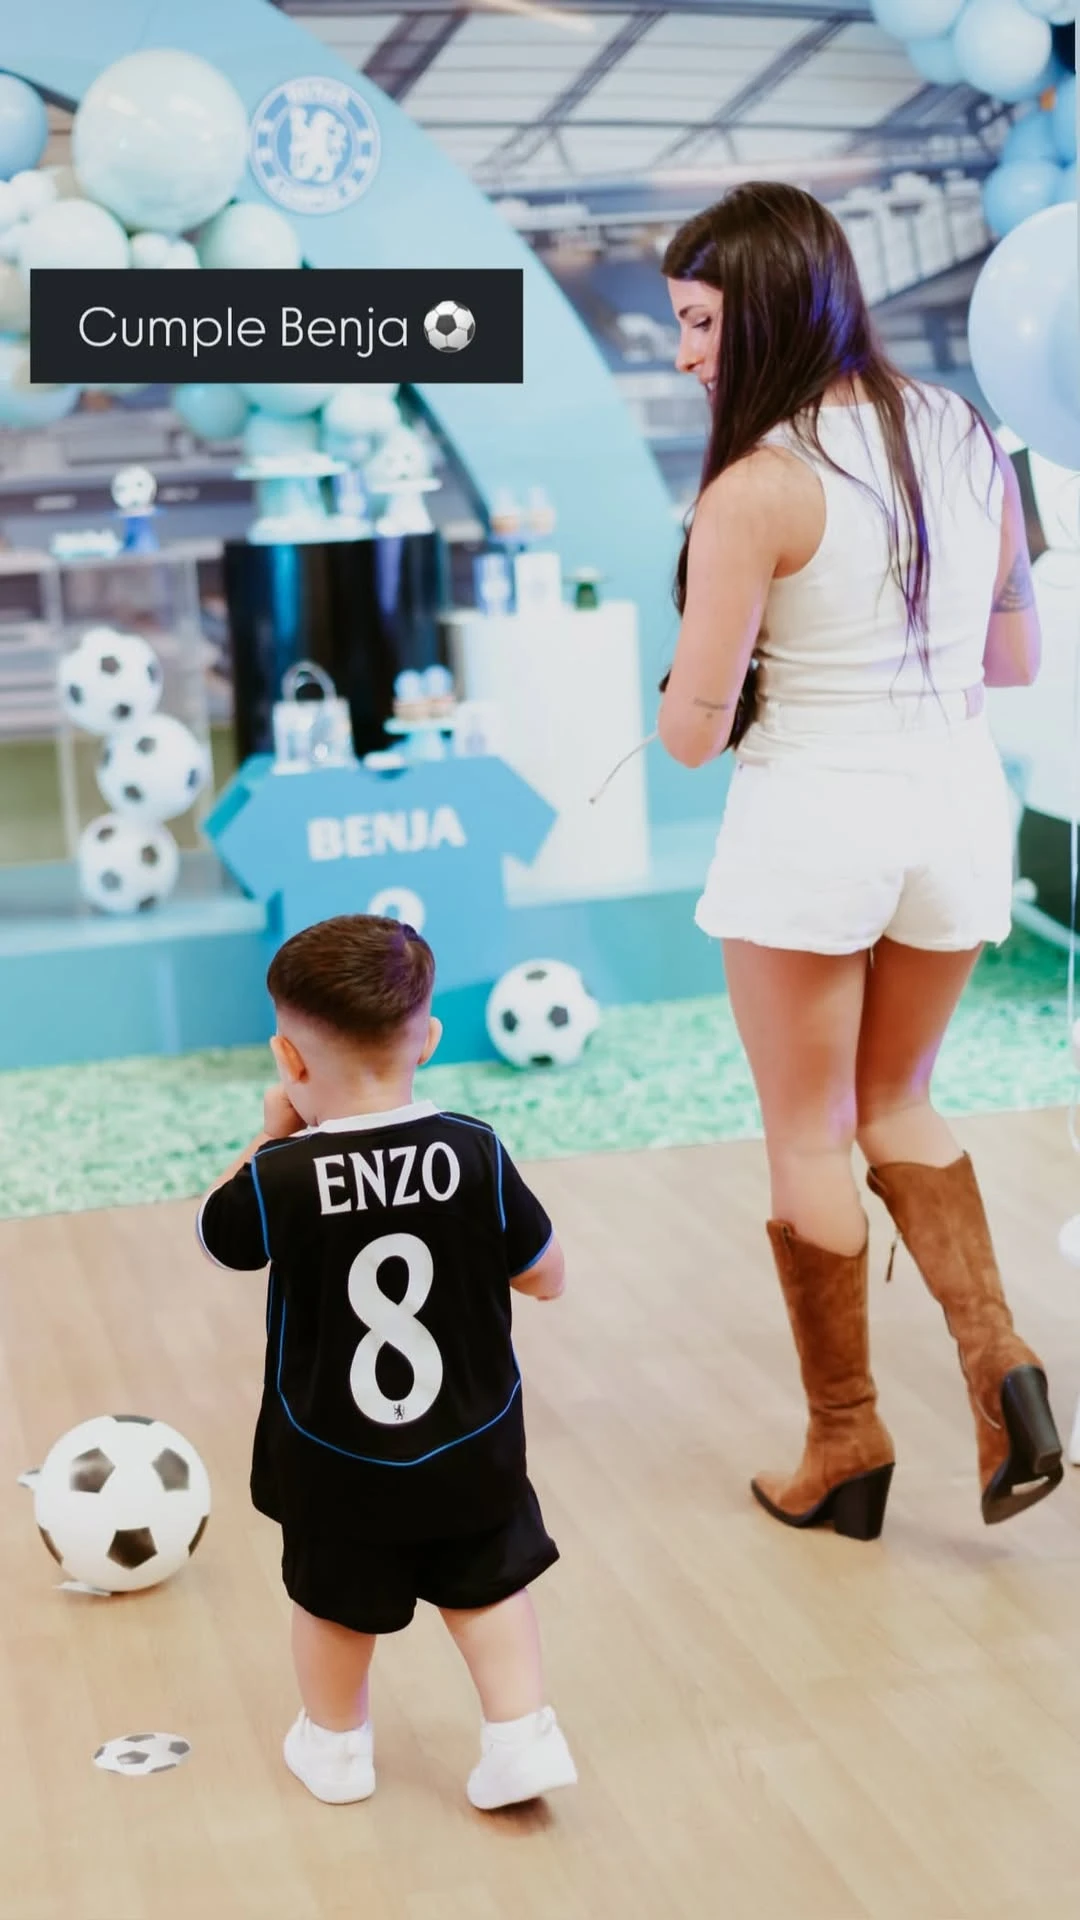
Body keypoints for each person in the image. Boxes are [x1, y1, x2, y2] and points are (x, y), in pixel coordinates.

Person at [657, 181, 1063, 1540]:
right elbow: (1015, 661)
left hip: (813, 829)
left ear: (763, 305)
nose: (686, 352)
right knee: (901, 1100)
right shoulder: (967, 435)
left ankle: (846, 1441)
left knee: (809, 1131)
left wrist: (691, 687)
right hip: (953, 816)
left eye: (700, 321)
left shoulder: (754, 486)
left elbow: (691, 740)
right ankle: (1001, 1365)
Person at [196, 914, 577, 1810]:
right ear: (431, 1039)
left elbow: (220, 1239)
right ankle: (521, 1737)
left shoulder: (280, 1177)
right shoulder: (475, 1150)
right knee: (487, 1588)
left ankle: (334, 1751)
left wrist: (269, 1137)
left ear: (289, 1060)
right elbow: (547, 1276)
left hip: (333, 1454)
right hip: (470, 1445)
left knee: (332, 1602)